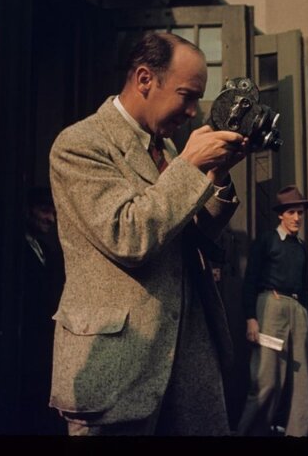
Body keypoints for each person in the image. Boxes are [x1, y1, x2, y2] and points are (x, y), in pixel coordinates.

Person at [48, 31, 249, 436]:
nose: (194, 111)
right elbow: (128, 236)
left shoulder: (169, 150)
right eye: (186, 95)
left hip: (188, 370)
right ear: (144, 79)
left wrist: (217, 176)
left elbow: (192, 232)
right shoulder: (79, 144)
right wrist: (191, 169)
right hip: (117, 373)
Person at [236, 185, 308, 436]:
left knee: (300, 380)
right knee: (267, 377)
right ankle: (251, 432)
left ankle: (297, 432)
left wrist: (306, 317)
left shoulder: (301, 247)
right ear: (281, 214)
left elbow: (306, 286)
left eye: (299, 212)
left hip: (296, 310)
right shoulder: (267, 241)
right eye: (291, 212)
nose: (297, 218)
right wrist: (251, 318)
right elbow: (250, 281)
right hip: (270, 308)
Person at [18, 186, 66, 435]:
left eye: (53, 212)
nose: (51, 219)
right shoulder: (13, 250)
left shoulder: (45, 250)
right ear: (26, 210)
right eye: (45, 211)